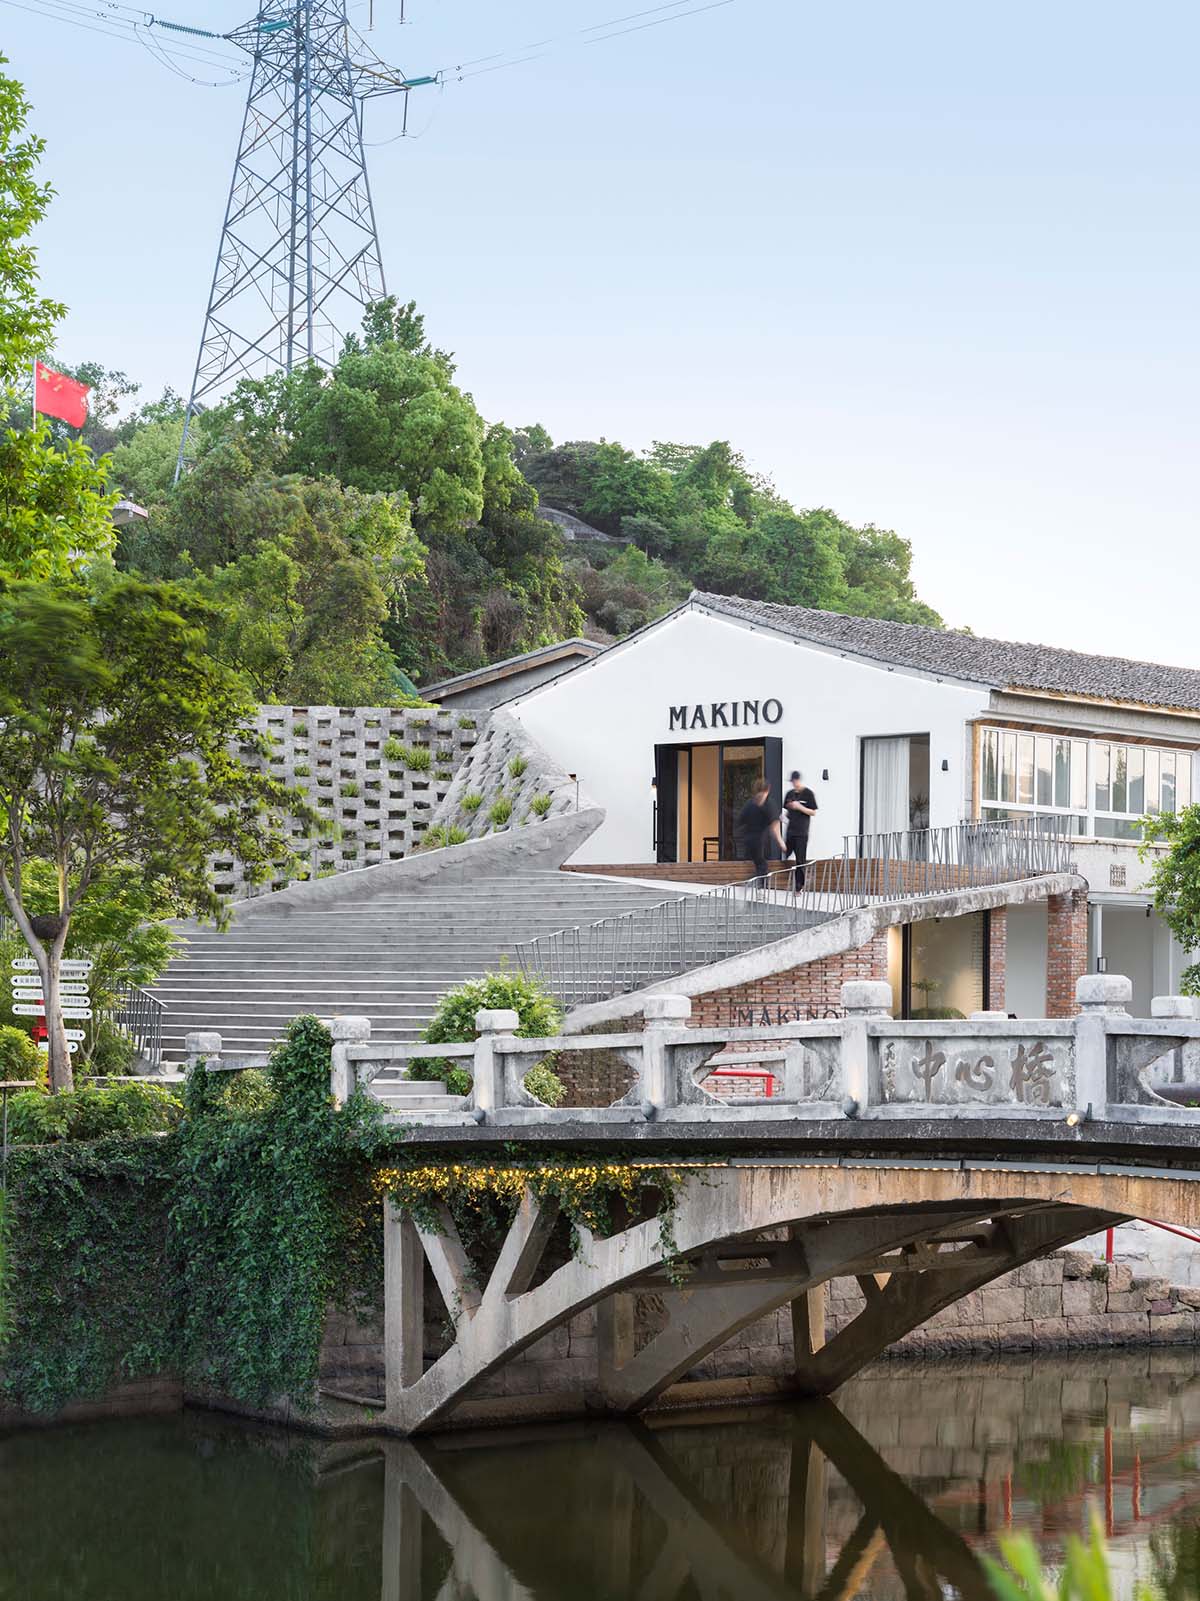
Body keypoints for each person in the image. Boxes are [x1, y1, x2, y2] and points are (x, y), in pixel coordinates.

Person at [733, 778, 784, 881]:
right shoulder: (769, 803)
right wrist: (780, 842)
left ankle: (757, 883)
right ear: (768, 789)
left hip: (749, 840)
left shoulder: (750, 803)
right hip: (762, 840)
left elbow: (740, 820)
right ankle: (759, 885)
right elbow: (775, 824)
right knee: (762, 865)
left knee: (759, 863)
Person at [781, 769, 818, 891]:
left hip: (802, 832)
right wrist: (782, 818)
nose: (793, 783)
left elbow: (813, 812)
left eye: (794, 781)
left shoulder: (808, 794)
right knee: (784, 851)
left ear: (798, 780)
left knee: (800, 859)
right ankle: (782, 877)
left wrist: (800, 807)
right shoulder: (789, 794)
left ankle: (799, 886)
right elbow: (787, 811)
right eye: (791, 781)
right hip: (790, 830)